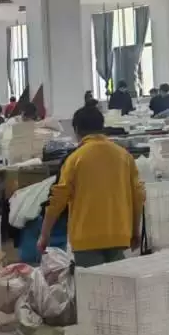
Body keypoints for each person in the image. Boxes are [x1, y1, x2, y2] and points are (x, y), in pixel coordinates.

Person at [37, 104, 144, 266]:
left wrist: (45, 235)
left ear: (76, 129)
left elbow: (57, 199)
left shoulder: (75, 159)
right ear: (102, 127)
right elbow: (138, 196)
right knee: (116, 280)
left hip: (86, 238)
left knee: (92, 281)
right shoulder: (125, 156)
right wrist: (135, 231)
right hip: (118, 234)